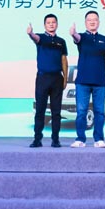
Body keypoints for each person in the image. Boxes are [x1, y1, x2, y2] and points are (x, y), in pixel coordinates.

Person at [69, 10, 105, 148]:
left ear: (98, 22)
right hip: (82, 82)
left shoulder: (104, 39)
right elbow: (76, 38)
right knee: (81, 112)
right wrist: (73, 33)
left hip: (99, 82)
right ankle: (80, 139)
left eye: (95, 19)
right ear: (85, 22)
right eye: (89, 20)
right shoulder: (82, 37)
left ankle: (99, 139)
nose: (92, 22)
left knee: (99, 112)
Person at [27, 14, 68, 148]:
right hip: (43, 78)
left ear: (57, 24)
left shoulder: (61, 41)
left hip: (57, 78)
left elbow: (64, 60)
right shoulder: (41, 38)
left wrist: (65, 78)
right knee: (40, 110)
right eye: (48, 22)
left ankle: (55, 139)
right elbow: (35, 38)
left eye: (53, 22)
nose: (51, 24)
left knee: (56, 112)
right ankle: (37, 139)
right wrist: (30, 33)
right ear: (45, 25)